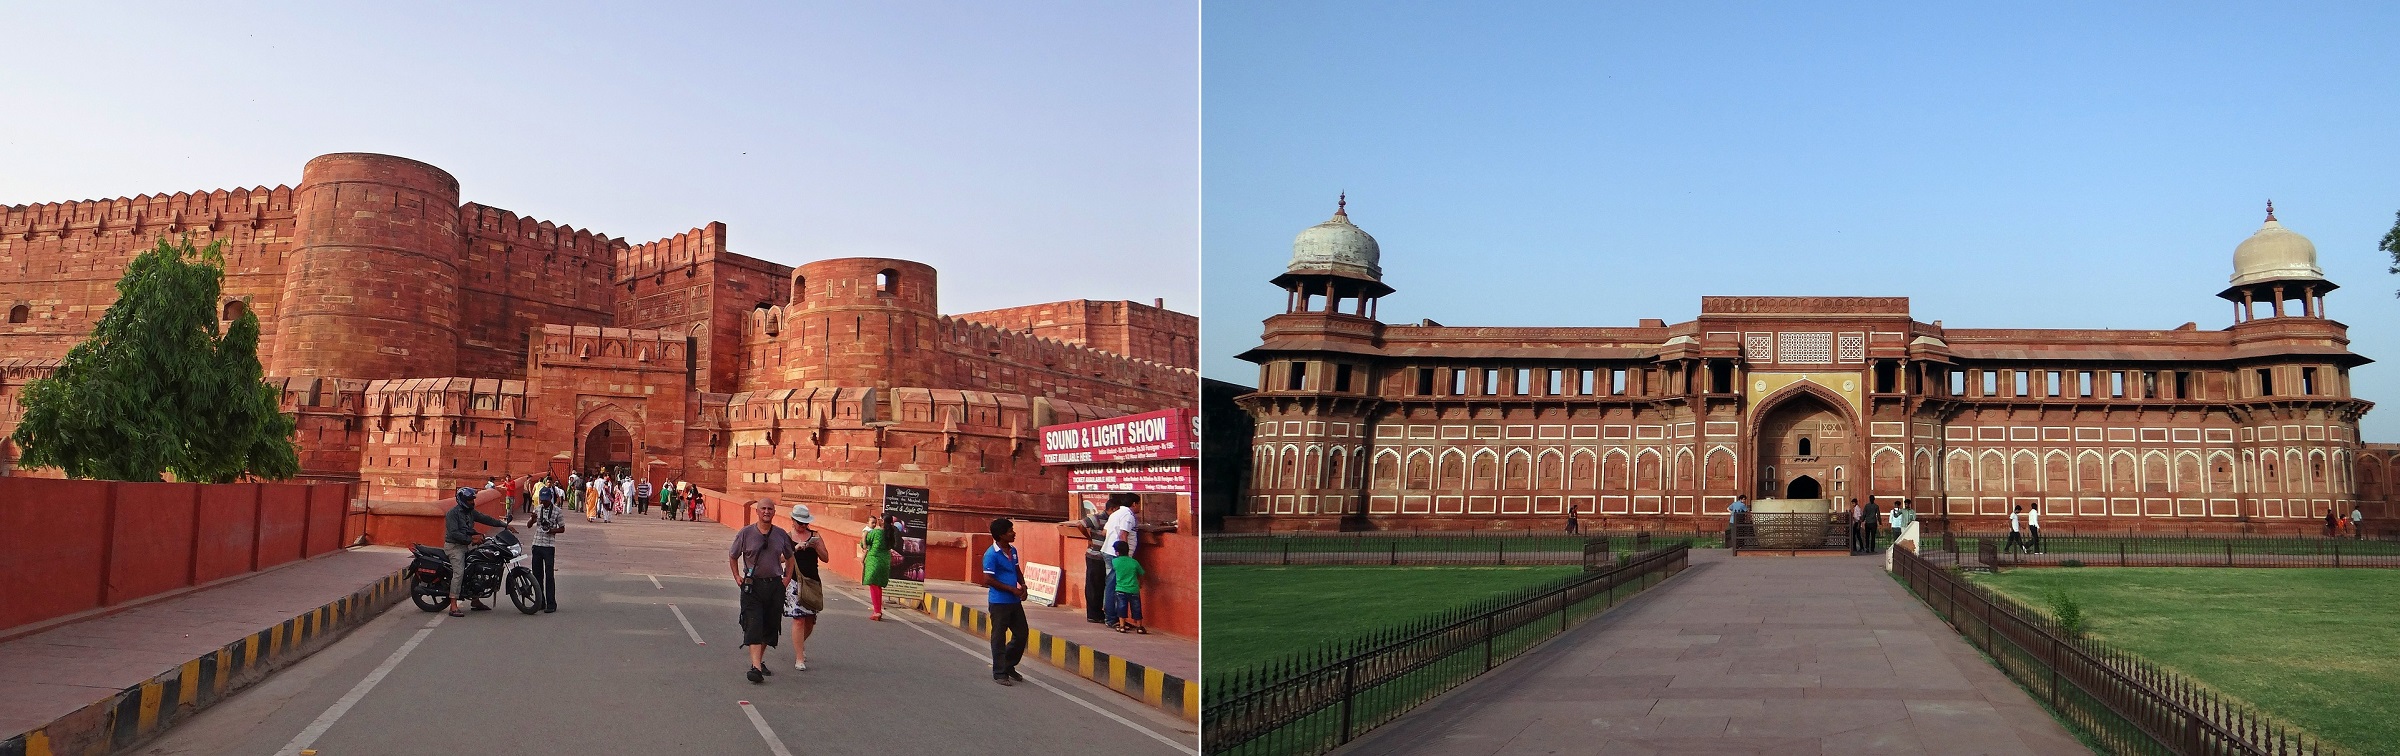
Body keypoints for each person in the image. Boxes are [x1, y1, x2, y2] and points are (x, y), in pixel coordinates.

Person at [730, 500, 796, 683]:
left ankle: (757, 661)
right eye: (763, 509)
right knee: (753, 624)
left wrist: (787, 578)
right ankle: (756, 668)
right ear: (757, 512)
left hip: (775, 585)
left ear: (774, 512)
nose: (766, 512)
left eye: (770, 509)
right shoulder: (746, 533)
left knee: (769, 626)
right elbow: (733, 555)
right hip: (752, 585)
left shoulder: (781, 534)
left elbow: (790, 558)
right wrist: (737, 576)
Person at [443, 487, 516, 617]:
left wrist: (504, 525)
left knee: (477, 568)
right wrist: (471, 539)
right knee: (459, 572)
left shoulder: (470, 512)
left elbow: (486, 519)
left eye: (472, 499)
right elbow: (454, 534)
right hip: (455, 547)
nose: (472, 502)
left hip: (467, 545)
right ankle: (453, 605)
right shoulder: (452, 514)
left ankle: (475, 600)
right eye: (469, 499)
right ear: (462, 500)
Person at [782, 504, 830, 670]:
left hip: (811, 581)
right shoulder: (787, 537)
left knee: (810, 621)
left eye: (805, 523)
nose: (802, 526)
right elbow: (780, 558)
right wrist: (794, 550)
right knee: (799, 619)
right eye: (799, 523)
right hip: (794, 581)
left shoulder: (815, 536)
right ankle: (799, 658)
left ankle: (799, 645)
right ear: (793, 521)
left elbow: (826, 558)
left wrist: (816, 547)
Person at [984, 517, 1030, 686]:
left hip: (1014, 601)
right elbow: (988, 579)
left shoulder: (1013, 550)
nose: (1014, 533)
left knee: (1022, 634)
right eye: (1010, 531)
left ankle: (1009, 664)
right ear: (1001, 535)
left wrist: (1023, 585)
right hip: (999, 602)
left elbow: (1016, 569)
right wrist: (1011, 589)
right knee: (998, 637)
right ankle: (999, 672)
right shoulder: (991, 554)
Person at [530, 481, 564, 613]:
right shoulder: (537, 509)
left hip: (549, 546)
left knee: (549, 576)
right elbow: (529, 525)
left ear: (550, 498)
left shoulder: (557, 511)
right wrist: (532, 519)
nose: (543, 503)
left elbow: (562, 529)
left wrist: (551, 530)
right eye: (541, 500)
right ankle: (541, 602)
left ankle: (551, 604)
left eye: (545, 500)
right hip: (536, 544)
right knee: (537, 575)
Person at [859, 511, 897, 621]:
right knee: (878, 586)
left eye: (880, 519)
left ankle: (877, 611)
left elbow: (863, 543)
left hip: (874, 561)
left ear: (882, 521)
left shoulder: (876, 533)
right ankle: (878, 609)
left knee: (874, 586)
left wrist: (865, 534)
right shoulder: (890, 534)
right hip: (885, 561)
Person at [1080, 499, 1110, 624]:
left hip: (1103, 556)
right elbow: (1080, 524)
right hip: (1094, 555)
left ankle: (1098, 612)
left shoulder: (1111, 519)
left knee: (1100, 585)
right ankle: (1093, 613)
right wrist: (1089, 538)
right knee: (1094, 585)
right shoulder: (1097, 518)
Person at [1109, 537, 1145, 634]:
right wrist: (1140, 584)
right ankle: (1140, 627)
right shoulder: (1134, 562)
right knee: (1136, 608)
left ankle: (1122, 626)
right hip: (1133, 589)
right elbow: (1141, 573)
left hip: (1120, 588)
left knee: (1121, 608)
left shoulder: (1115, 562)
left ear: (1117, 552)